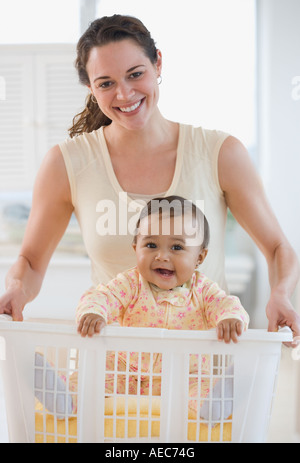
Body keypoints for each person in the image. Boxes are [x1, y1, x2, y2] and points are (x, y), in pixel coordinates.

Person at [0, 14, 299, 345]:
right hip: (114, 367)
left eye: (135, 74)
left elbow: (276, 247)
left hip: (202, 368)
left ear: (158, 64)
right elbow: (30, 261)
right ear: (90, 88)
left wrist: (281, 294)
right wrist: (15, 290)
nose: (124, 94)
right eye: (106, 83)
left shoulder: (219, 152)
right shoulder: (67, 162)